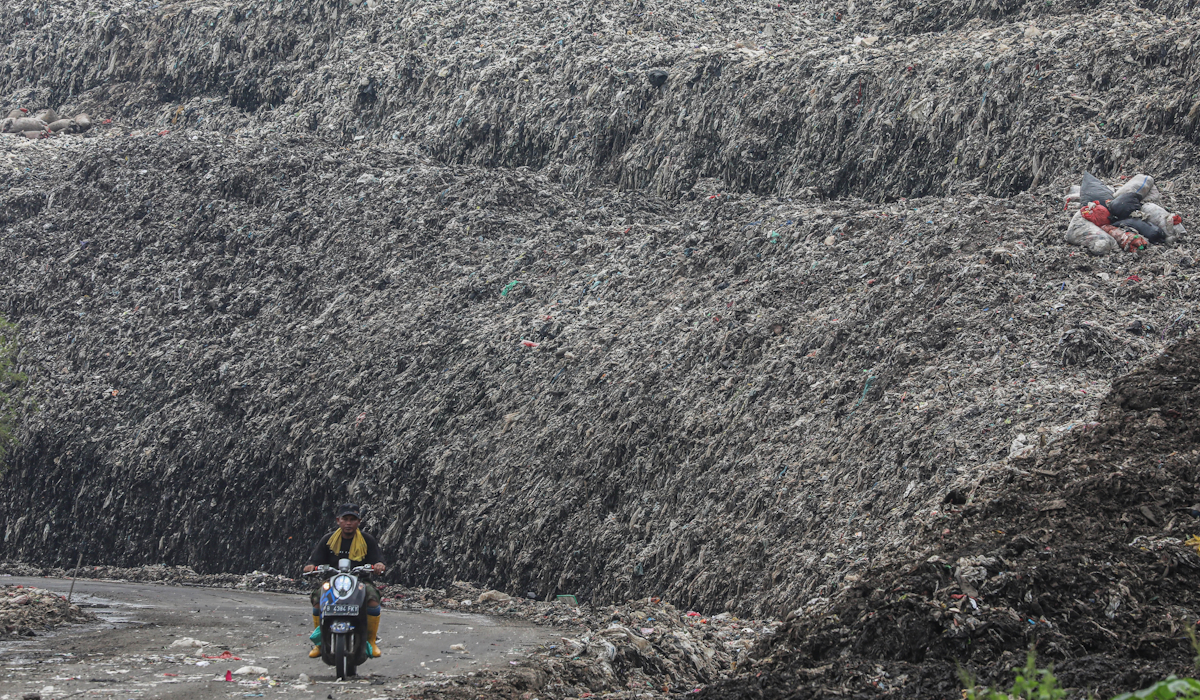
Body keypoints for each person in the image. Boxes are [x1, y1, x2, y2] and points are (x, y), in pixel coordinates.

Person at [303, 504, 385, 658]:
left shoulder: (367, 540)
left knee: (373, 601)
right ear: (338, 521)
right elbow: (314, 560)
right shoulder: (328, 540)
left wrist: (379, 565)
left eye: (352, 520)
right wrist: (311, 567)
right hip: (333, 581)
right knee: (317, 601)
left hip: (360, 581)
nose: (348, 523)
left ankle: (371, 641)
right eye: (345, 519)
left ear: (359, 522)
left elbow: (378, 560)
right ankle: (319, 644)